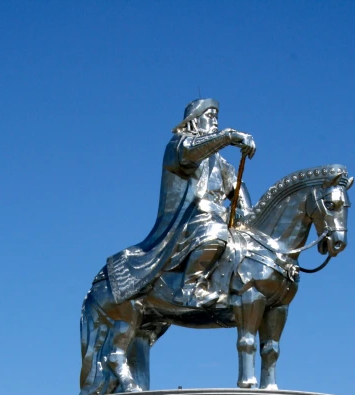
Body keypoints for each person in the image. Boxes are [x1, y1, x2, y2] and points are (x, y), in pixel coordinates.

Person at [107, 98, 256, 308]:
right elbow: (191, 154)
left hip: (218, 218)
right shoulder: (179, 146)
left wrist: (245, 211)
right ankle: (189, 288)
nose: (215, 121)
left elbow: (237, 187)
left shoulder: (221, 163)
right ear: (194, 121)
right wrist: (228, 136)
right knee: (215, 233)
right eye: (209, 116)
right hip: (189, 221)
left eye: (217, 117)